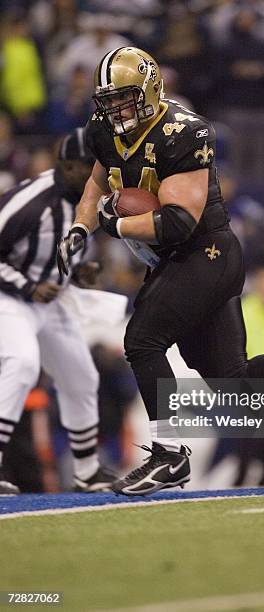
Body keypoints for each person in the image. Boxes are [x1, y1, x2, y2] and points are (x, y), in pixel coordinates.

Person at [57, 47, 264, 497]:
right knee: (233, 378)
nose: (115, 110)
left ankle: (169, 455)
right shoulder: (104, 130)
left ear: (150, 91)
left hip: (205, 252)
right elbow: (98, 181)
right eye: (108, 101)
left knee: (142, 340)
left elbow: (177, 222)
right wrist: (79, 227)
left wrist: (112, 224)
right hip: (177, 259)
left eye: (124, 99)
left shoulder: (183, 132)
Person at [0, 128, 116, 494]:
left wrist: (78, 271)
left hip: (50, 299)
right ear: (67, 167)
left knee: (81, 376)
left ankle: (86, 471)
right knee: (22, 363)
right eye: (89, 167)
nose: (97, 175)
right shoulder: (30, 202)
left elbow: (61, 250)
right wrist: (29, 287)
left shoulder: (93, 198)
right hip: (11, 297)